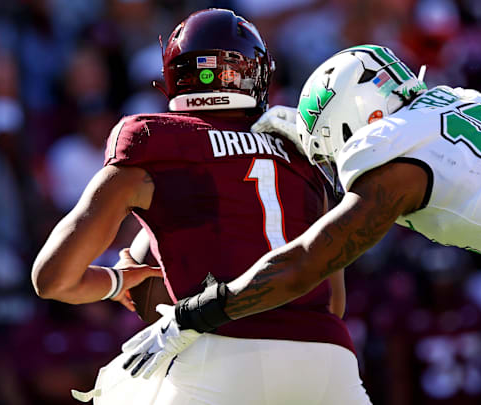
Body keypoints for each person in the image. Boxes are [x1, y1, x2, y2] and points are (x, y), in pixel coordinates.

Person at [120, 44, 481, 405]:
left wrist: (195, 316)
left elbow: (306, 264)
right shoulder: (453, 99)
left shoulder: (394, 160)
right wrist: (301, 127)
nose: (332, 159)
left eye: (331, 143)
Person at [32, 9, 370, 405]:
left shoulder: (152, 141)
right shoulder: (301, 150)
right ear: (258, 74)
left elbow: (53, 279)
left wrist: (119, 282)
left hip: (219, 353)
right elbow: (335, 301)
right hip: (327, 358)